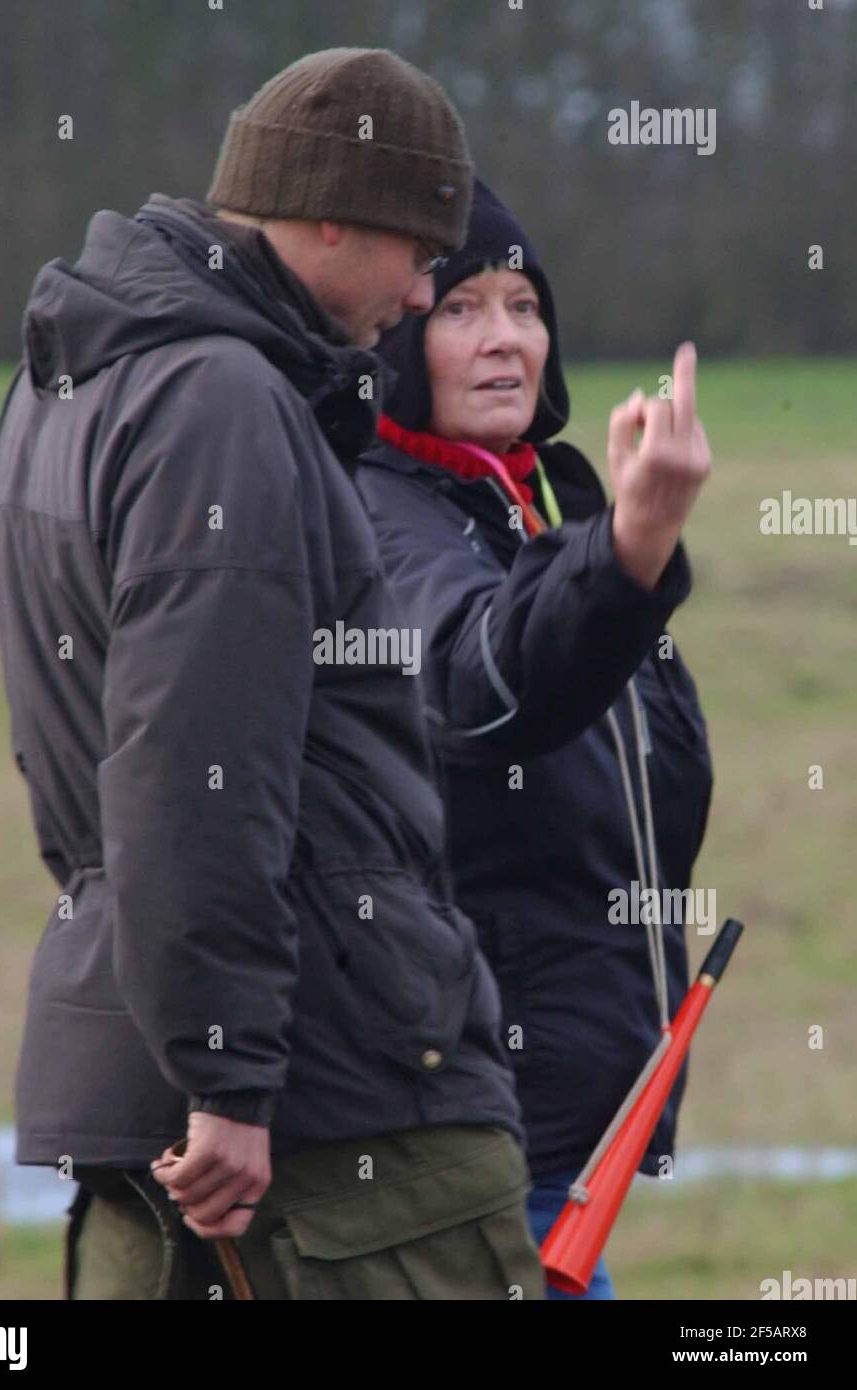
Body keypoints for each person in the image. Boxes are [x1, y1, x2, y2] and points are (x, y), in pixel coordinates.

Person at [0, 51, 545, 1301]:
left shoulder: (64, 382)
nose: (419, 292)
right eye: (417, 248)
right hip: (320, 1096)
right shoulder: (224, 400)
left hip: (137, 1060)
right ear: (328, 210)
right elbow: (190, 765)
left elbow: (81, 756)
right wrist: (229, 1068)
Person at [355, 178, 715, 1299]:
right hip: (458, 1123)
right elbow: (483, 685)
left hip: (558, 1124)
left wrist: (609, 545)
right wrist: (633, 546)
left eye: (525, 304)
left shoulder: (533, 505)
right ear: (396, 336)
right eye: (462, 308)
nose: (505, 339)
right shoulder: (375, 512)